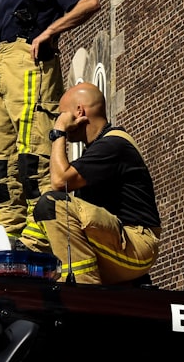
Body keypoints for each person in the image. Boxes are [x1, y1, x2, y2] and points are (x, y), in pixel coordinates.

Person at [0, 0, 100, 249]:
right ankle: (11, 233)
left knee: (34, 153)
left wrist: (50, 31)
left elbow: (89, 2)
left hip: (31, 66)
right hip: (2, 71)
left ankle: (41, 232)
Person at [33, 82, 161, 284]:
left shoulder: (113, 145)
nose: (59, 119)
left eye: (62, 114)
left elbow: (60, 182)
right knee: (43, 212)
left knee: (54, 204)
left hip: (137, 245)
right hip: (118, 243)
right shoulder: (97, 150)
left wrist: (59, 132)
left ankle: (82, 290)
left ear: (79, 111)